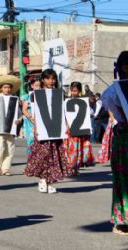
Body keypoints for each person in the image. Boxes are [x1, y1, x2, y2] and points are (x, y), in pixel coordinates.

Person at [24, 69, 72, 193]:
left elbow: (63, 111)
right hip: (42, 129)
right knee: (43, 155)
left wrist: (66, 125)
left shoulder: (60, 93)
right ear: (43, 80)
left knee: (55, 155)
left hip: (56, 129)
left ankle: (51, 181)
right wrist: (35, 128)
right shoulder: (36, 94)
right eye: (48, 78)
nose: (51, 81)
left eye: (53, 78)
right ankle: (42, 179)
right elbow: (35, 112)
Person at [101, 51, 128, 235]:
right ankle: (122, 221)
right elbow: (113, 111)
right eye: (126, 65)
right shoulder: (113, 91)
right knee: (123, 180)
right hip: (124, 138)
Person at [0, 75, 21, 176]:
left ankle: (6, 168)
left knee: (10, 147)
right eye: (5, 87)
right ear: (1, 88)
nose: (7, 89)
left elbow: (19, 114)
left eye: (9, 87)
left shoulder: (14, 100)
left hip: (10, 128)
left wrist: (19, 120)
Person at [64, 82, 95, 176]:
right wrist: (66, 125)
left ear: (79, 91)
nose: (74, 93)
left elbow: (90, 113)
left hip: (80, 131)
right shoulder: (67, 101)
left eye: (76, 91)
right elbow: (64, 115)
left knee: (78, 150)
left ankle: (75, 169)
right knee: (69, 149)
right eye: (72, 91)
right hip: (69, 130)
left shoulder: (84, 101)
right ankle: (70, 168)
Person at [21, 76, 42, 155]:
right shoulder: (28, 97)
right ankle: (31, 159)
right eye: (36, 86)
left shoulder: (43, 95)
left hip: (40, 121)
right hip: (30, 121)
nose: (38, 87)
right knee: (31, 140)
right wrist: (30, 118)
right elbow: (24, 109)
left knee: (40, 140)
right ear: (32, 86)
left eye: (40, 86)